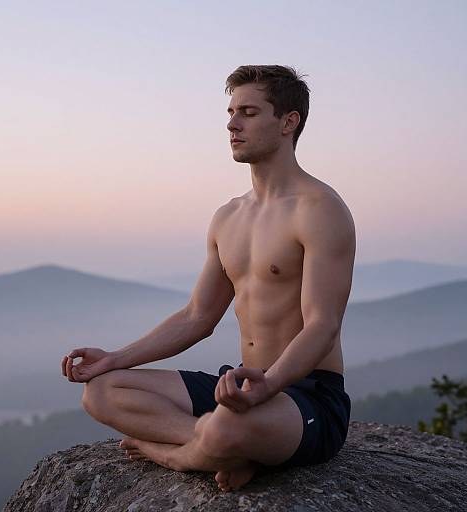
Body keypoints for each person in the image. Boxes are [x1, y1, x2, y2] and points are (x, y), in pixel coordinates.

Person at [61, 64, 356, 492]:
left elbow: (323, 326)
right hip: (241, 383)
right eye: (231, 112)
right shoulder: (228, 217)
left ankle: (178, 452)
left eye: (250, 113)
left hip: (304, 394)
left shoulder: (319, 209)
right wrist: (115, 358)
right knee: (102, 392)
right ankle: (225, 450)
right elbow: (197, 316)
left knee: (223, 429)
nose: (232, 125)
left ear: (289, 122)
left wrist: (270, 384)